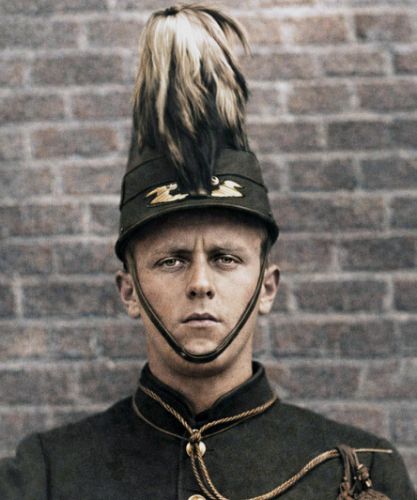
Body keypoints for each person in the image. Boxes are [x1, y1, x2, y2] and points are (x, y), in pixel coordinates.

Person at [0, 4, 415, 499]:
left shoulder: (361, 470)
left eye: (225, 258)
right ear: (128, 292)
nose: (200, 283)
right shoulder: (46, 474)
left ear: (267, 286)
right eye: (171, 260)